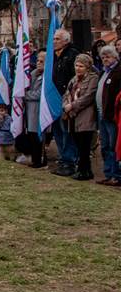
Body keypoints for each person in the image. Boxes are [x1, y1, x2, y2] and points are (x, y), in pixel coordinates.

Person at [49, 29, 80, 176]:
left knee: (67, 132)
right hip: (54, 100)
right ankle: (63, 159)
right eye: (54, 39)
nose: (54, 41)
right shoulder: (54, 56)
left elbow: (74, 80)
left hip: (65, 100)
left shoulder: (72, 55)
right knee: (58, 132)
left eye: (57, 39)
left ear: (66, 41)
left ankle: (69, 161)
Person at [62, 53, 97, 181]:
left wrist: (72, 105)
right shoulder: (74, 79)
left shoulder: (93, 78)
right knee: (78, 144)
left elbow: (88, 97)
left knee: (84, 146)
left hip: (85, 116)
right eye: (76, 65)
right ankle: (84, 169)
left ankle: (84, 170)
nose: (78, 68)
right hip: (73, 117)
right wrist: (66, 105)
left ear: (87, 67)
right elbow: (67, 94)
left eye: (81, 66)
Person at [95, 44, 121, 186]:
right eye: (103, 56)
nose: (105, 59)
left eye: (108, 56)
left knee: (113, 146)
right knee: (104, 146)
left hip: (112, 116)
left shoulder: (118, 71)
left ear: (115, 57)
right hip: (101, 115)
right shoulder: (103, 72)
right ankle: (108, 173)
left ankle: (116, 174)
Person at [22, 50, 46, 168]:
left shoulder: (46, 77)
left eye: (42, 61)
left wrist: (25, 95)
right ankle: (34, 158)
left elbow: (39, 94)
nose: (38, 63)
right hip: (29, 109)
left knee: (38, 136)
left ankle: (39, 159)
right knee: (31, 134)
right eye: (37, 60)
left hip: (38, 110)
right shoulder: (32, 74)